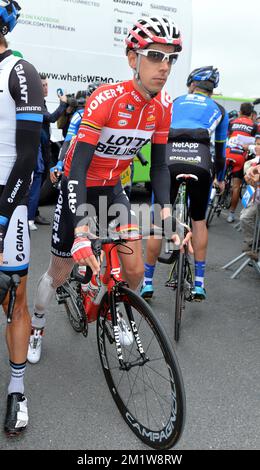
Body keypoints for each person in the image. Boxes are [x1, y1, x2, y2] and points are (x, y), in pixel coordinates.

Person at [27, 16, 190, 364]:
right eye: (155, 56)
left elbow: (160, 167)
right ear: (133, 59)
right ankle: (37, 325)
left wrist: (168, 216)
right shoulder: (107, 99)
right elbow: (79, 167)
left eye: (170, 58)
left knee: (132, 269)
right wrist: (82, 231)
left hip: (113, 189)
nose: (164, 66)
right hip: (79, 187)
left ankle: (117, 308)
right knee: (59, 273)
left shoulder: (162, 107)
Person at [141, 66, 229, 301]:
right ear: (212, 90)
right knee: (198, 220)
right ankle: (199, 283)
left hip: (169, 158)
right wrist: (219, 179)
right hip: (200, 160)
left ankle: (147, 283)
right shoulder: (219, 109)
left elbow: (155, 133)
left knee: (158, 219)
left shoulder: (175, 101)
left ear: (191, 85)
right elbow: (220, 154)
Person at [0, 1, 44, 435]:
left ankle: (17, 389)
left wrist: (2, 215)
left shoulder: (19, 71)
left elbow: (28, 157)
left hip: (6, 205)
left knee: (13, 300)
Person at [31, 74, 69, 228]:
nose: (46, 88)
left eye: (47, 85)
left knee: (41, 181)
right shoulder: (36, 103)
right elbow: (52, 118)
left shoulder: (42, 102)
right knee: (37, 181)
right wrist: (63, 103)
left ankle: (34, 212)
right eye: (43, 85)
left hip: (45, 146)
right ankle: (30, 215)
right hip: (39, 148)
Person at [50, 82, 102, 186]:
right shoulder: (79, 115)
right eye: (91, 97)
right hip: (81, 164)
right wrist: (60, 163)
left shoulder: (110, 117)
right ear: (87, 98)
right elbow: (68, 141)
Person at [226, 102, 257, 223]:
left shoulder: (232, 122)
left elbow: (226, 137)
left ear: (240, 111)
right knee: (236, 187)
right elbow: (255, 143)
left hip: (227, 154)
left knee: (217, 180)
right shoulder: (254, 125)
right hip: (240, 157)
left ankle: (213, 197)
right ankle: (232, 214)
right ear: (251, 114)